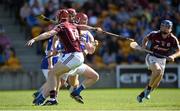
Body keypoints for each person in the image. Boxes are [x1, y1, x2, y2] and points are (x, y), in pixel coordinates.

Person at [26, 9, 102, 105]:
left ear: (59, 18)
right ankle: (46, 97)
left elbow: (49, 34)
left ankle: (48, 98)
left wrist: (35, 39)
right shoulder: (73, 25)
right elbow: (82, 27)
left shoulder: (61, 26)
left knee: (54, 74)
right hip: (73, 56)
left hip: (73, 56)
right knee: (55, 75)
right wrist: (94, 28)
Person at [137, 20, 180, 103]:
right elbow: (145, 39)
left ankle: (141, 95)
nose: (163, 28)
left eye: (166, 27)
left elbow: (179, 51)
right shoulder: (154, 34)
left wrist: (173, 56)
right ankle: (148, 89)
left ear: (170, 29)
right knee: (158, 71)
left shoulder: (173, 39)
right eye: (162, 26)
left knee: (156, 83)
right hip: (152, 57)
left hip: (162, 60)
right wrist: (144, 45)